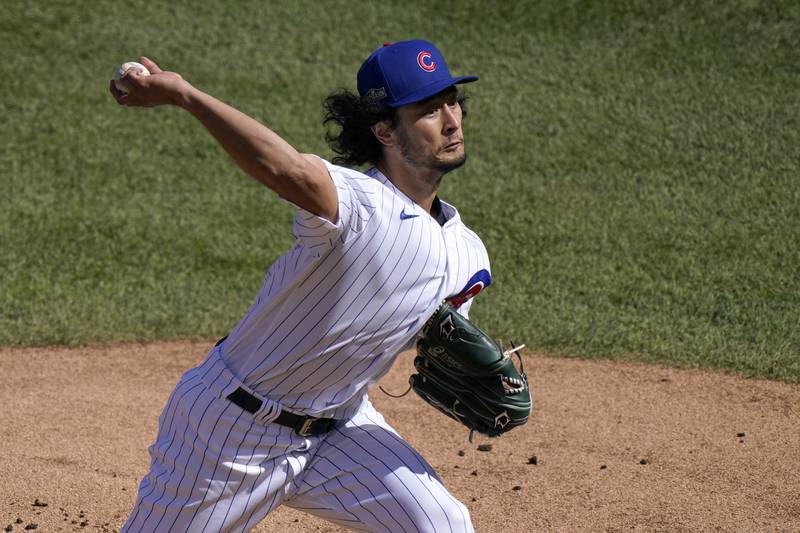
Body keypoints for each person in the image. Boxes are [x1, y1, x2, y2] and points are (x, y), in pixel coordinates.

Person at [111, 39, 492, 533]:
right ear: (384, 130)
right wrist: (184, 94)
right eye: (427, 110)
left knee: (443, 525)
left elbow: (443, 344)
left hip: (341, 430)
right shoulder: (355, 203)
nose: (451, 120)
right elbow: (282, 167)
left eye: (451, 101)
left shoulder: (469, 252)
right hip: (232, 433)